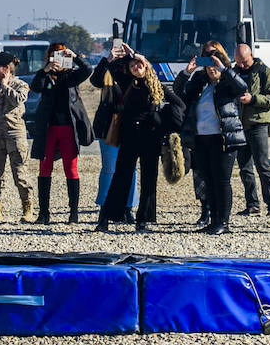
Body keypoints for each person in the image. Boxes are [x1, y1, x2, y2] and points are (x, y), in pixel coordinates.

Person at [178, 42, 249, 234]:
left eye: (213, 59)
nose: (210, 67)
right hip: (201, 138)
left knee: (221, 180)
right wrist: (186, 73)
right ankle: (213, 220)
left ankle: (223, 222)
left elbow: (242, 87)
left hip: (224, 137)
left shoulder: (228, 79)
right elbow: (179, 94)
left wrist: (223, 69)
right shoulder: (200, 79)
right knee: (208, 180)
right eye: (206, 59)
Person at [96, 50, 169, 232]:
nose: (136, 67)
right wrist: (117, 57)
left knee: (149, 179)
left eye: (139, 64)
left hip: (150, 137)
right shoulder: (128, 82)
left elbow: (178, 105)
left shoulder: (157, 86)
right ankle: (107, 217)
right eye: (132, 65)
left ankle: (144, 220)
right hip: (129, 136)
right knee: (121, 176)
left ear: (146, 65)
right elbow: (108, 72)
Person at [30, 43, 93, 224]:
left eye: (61, 55)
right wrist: (45, 70)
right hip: (49, 129)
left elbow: (87, 70)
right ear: (49, 57)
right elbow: (35, 87)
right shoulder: (46, 75)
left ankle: (73, 213)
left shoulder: (71, 76)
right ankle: (43, 213)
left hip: (68, 128)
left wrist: (75, 57)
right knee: (45, 168)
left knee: (71, 170)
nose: (58, 58)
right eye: (54, 55)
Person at [232, 43, 270, 217]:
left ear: (251, 55)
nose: (242, 65)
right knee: (244, 167)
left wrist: (253, 99)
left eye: (245, 62)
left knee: (262, 165)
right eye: (239, 62)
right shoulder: (234, 72)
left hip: (258, 123)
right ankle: (252, 204)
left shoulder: (265, 72)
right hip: (240, 125)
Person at [0, 51, 32, 223]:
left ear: (6, 69)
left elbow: (19, 100)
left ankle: (27, 207)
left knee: (20, 173)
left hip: (14, 134)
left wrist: (5, 86)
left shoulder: (20, 85)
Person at [93, 44, 139, 222]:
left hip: (130, 121)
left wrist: (133, 56)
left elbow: (146, 75)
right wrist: (107, 59)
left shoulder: (132, 68)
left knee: (131, 168)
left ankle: (128, 207)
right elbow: (95, 81)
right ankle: (105, 208)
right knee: (109, 167)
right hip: (109, 123)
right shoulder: (109, 68)